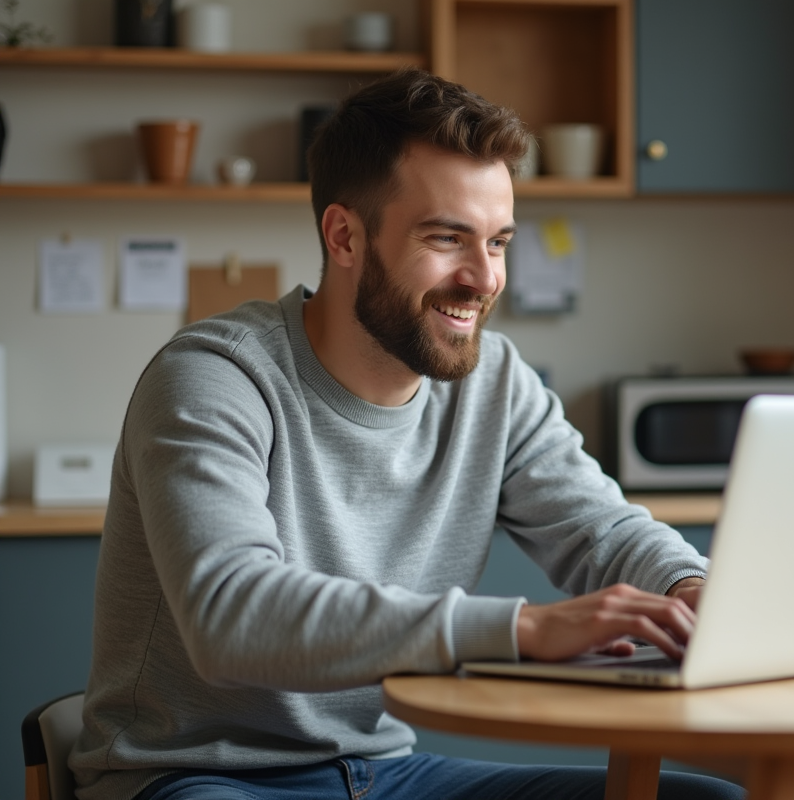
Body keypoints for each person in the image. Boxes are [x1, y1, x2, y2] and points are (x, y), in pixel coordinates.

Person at [69, 68, 744, 800]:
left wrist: (692, 589)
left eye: (498, 242)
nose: (484, 278)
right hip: (200, 773)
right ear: (345, 236)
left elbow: (602, 532)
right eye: (448, 238)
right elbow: (230, 616)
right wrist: (521, 630)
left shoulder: (495, 384)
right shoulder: (214, 377)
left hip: (387, 773)